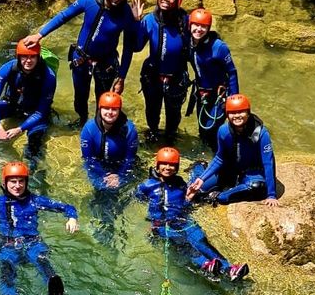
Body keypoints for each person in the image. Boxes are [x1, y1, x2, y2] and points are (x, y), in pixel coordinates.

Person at [23, 0, 143, 126]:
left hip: (106, 64)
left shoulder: (127, 13)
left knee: (104, 98)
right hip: (80, 59)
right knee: (80, 97)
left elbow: (129, 48)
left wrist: (121, 78)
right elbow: (63, 16)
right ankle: (82, 121)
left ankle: (99, 126)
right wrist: (40, 34)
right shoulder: (88, 0)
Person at [0, 161, 79, 295]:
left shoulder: (35, 201)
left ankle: (54, 290)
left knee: (43, 261)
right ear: (5, 183)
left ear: (26, 182)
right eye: (13, 181)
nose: (17, 185)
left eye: (21, 181)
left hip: (33, 243)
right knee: (7, 269)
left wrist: (72, 218)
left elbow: (67, 207)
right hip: (8, 245)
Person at [135, 147, 249, 281]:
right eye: (164, 164)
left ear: (177, 167)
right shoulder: (146, 186)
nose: (168, 167)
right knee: (182, 242)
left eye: (172, 165)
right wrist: (150, 224)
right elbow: (138, 201)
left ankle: (228, 268)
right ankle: (204, 264)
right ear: (157, 165)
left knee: (200, 239)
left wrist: (188, 199)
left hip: (182, 220)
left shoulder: (180, 184)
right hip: (162, 225)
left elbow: (184, 207)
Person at [186, 94, 278, 206]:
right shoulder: (224, 131)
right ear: (227, 114)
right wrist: (202, 179)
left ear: (248, 113)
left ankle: (218, 197)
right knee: (197, 190)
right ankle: (199, 167)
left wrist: (271, 195)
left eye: (241, 112)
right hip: (231, 168)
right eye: (233, 112)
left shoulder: (261, 133)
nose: (237, 116)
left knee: (257, 187)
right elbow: (220, 158)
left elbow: (268, 163)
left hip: (252, 171)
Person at [0, 40, 57, 156]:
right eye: (24, 56)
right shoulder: (8, 68)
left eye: (32, 57)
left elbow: (41, 112)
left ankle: (33, 168)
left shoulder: (49, 77)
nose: (28, 61)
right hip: (12, 106)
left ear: (38, 57)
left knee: (35, 142)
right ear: (18, 57)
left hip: (34, 112)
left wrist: (20, 129)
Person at [136, 0, 189, 144]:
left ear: (178, 1)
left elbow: (197, 49)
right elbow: (137, 47)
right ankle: (152, 134)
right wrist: (136, 22)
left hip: (176, 77)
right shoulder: (149, 20)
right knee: (152, 111)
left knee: (174, 114)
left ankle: (170, 139)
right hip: (152, 76)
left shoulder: (186, 21)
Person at [186, 8, 240, 147]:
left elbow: (232, 72)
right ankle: (206, 156)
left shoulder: (219, 47)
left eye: (203, 26)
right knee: (202, 129)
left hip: (218, 96)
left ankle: (220, 156)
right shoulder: (189, 43)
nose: (199, 29)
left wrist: (233, 102)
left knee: (211, 130)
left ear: (209, 28)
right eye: (196, 25)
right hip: (201, 94)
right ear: (189, 25)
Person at [80, 91, 138, 191]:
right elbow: (88, 159)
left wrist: (119, 175)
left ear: (119, 110)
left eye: (114, 109)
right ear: (99, 109)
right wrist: (103, 175)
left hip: (122, 166)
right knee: (101, 192)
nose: (110, 112)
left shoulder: (129, 130)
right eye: (106, 108)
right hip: (97, 166)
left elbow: (130, 159)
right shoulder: (89, 129)